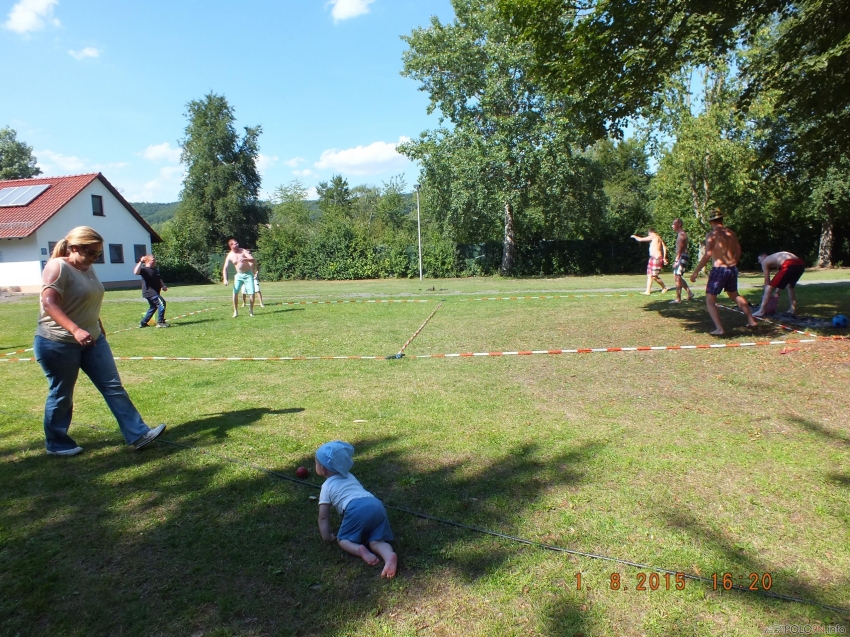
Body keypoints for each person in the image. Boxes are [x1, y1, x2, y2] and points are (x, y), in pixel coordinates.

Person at [34, 226, 166, 456]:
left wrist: (98, 327)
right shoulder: (58, 267)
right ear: (74, 248)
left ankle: (138, 434)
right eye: (91, 253)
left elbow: (87, 302)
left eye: (98, 253)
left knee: (112, 386)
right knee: (62, 393)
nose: (95, 258)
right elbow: (49, 304)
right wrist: (75, 329)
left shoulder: (88, 268)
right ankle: (57, 443)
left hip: (93, 339)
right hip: (58, 342)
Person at [315, 440, 397, 578]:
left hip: (356, 509)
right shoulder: (350, 476)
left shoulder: (327, 486)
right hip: (375, 504)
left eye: (316, 463)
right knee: (377, 541)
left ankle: (360, 549)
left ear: (322, 469)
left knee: (343, 540)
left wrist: (327, 535)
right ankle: (389, 556)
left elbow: (323, 516)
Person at [689, 210, 758, 335]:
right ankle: (751, 320)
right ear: (722, 220)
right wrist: (734, 262)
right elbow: (738, 250)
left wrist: (696, 271)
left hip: (719, 269)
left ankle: (719, 329)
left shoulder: (712, 235)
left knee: (710, 300)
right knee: (735, 295)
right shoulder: (730, 233)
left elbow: (708, 254)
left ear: (711, 222)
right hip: (731, 268)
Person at [753, 251, 806, 317]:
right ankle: (792, 309)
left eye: (759, 259)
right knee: (789, 286)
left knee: (769, 287)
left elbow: (767, 280)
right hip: (800, 264)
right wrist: (777, 292)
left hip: (789, 263)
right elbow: (781, 280)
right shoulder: (777, 258)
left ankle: (761, 311)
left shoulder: (765, 261)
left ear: (764, 256)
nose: (759, 262)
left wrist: (765, 293)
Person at [222, 238, 257, 318]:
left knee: (252, 293)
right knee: (235, 293)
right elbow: (225, 268)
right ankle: (235, 311)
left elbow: (252, 260)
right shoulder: (230, 255)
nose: (237, 245)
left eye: (237, 243)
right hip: (239, 275)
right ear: (231, 246)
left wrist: (245, 258)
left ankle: (251, 310)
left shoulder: (243, 251)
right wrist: (225, 279)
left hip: (248, 274)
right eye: (235, 244)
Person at [133, 254, 169, 327]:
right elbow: (135, 272)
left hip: (155, 292)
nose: (155, 261)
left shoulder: (155, 270)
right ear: (148, 261)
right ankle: (160, 322)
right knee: (162, 303)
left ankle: (143, 323)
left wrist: (163, 286)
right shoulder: (144, 270)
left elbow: (159, 279)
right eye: (153, 260)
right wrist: (141, 261)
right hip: (150, 292)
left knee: (153, 307)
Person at [630, 229, 668, 294]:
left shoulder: (653, 236)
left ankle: (664, 287)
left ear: (650, 232)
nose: (648, 235)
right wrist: (664, 257)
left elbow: (640, 239)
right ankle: (647, 291)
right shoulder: (659, 237)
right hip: (653, 258)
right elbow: (664, 247)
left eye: (648, 233)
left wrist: (634, 236)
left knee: (654, 276)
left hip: (656, 258)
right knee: (649, 275)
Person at [669, 218, 694, 303]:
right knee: (677, 276)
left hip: (682, 256)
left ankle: (678, 299)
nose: (672, 225)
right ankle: (689, 293)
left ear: (679, 225)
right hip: (681, 256)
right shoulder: (680, 234)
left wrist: (676, 261)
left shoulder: (682, 235)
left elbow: (681, 249)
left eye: (674, 224)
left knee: (677, 277)